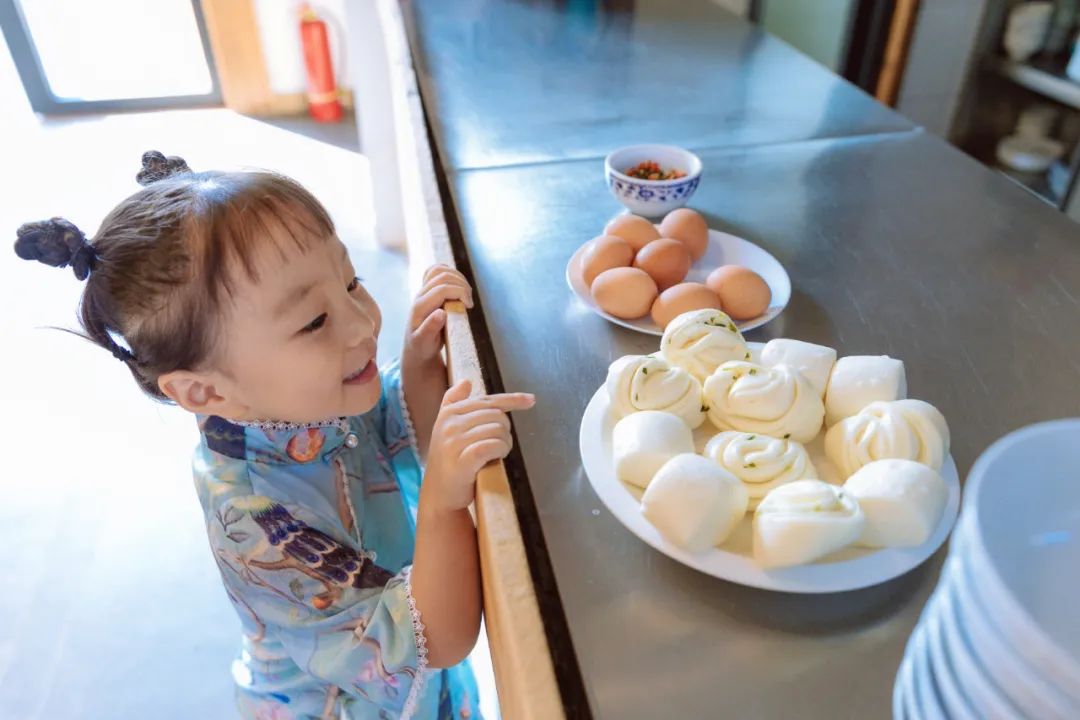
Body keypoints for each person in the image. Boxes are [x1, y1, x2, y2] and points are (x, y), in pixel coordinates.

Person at [13, 151, 535, 719]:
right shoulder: (254, 525)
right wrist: (441, 504)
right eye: (314, 321)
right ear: (206, 393)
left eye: (352, 281)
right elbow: (434, 637)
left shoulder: (296, 397)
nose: (364, 322)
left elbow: (391, 425)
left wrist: (418, 362)